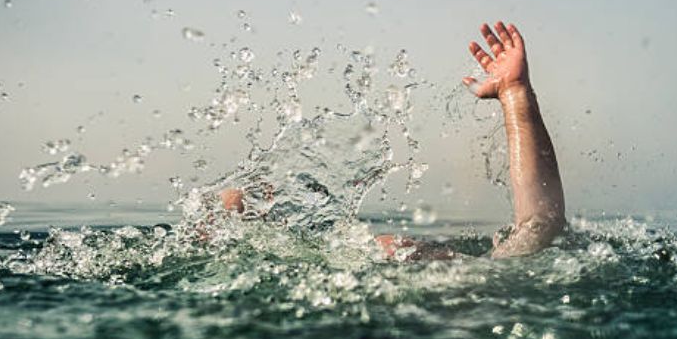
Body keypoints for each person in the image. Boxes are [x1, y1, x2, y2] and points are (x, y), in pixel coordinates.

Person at [221, 21, 565, 259]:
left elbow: (539, 225)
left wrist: (514, 93)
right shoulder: (408, 263)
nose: (390, 243)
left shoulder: (361, 262)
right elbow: (540, 224)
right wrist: (516, 95)